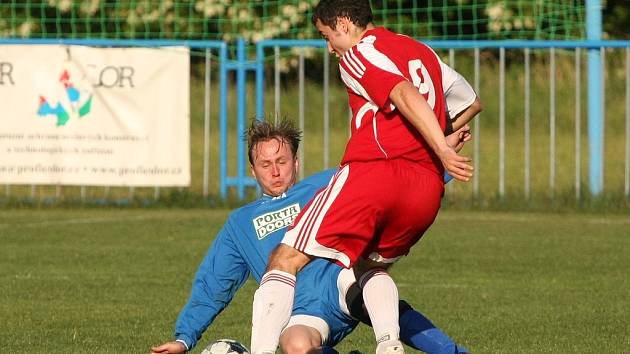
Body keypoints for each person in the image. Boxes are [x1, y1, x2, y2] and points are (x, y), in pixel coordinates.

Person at [250, 1, 475, 354]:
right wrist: (439, 142)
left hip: (375, 174)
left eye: (326, 36)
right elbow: (469, 103)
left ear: (343, 23)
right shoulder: (422, 52)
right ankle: (389, 344)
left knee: (284, 259)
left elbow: (402, 92)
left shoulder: (357, 53)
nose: (329, 47)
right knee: (367, 269)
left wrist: (444, 150)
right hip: (425, 190)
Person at [150, 118, 476, 354]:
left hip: (340, 280)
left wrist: (440, 155)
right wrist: (184, 337)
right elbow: (213, 283)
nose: (274, 171)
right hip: (302, 309)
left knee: (363, 279)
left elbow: (388, 182)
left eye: (281, 161)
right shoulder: (240, 223)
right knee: (293, 345)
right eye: (265, 164)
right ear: (252, 169)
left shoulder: (326, 182)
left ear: (296, 161)